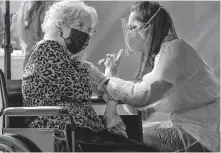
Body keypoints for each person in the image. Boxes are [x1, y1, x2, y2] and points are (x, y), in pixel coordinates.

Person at [22, 0, 155, 152]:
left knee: (143, 149)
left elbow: (108, 88)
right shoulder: (47, 50)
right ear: (60, 25)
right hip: (58, 132)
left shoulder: (73, 60)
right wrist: (105, 77)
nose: (85, 33)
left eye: (89, 30)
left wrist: (111, 108)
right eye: (80, 25)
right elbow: (77, 87)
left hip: (85, 132)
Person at [93, 1, 220, 152]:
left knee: (123, 135)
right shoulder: (163, 55)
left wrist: (107, 79)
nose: (129, 33)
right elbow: (141, 112)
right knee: (129, 130)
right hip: (195, 130)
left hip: (202, 135)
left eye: (133, 27)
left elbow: (142, 97)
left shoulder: (175, 50)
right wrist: (113, 75)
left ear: (150, 27)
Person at [11, 1, 57, 69]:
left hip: (34, 54)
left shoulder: (28, 4)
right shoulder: (29, 4)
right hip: (45, 54)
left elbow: (17, 33)